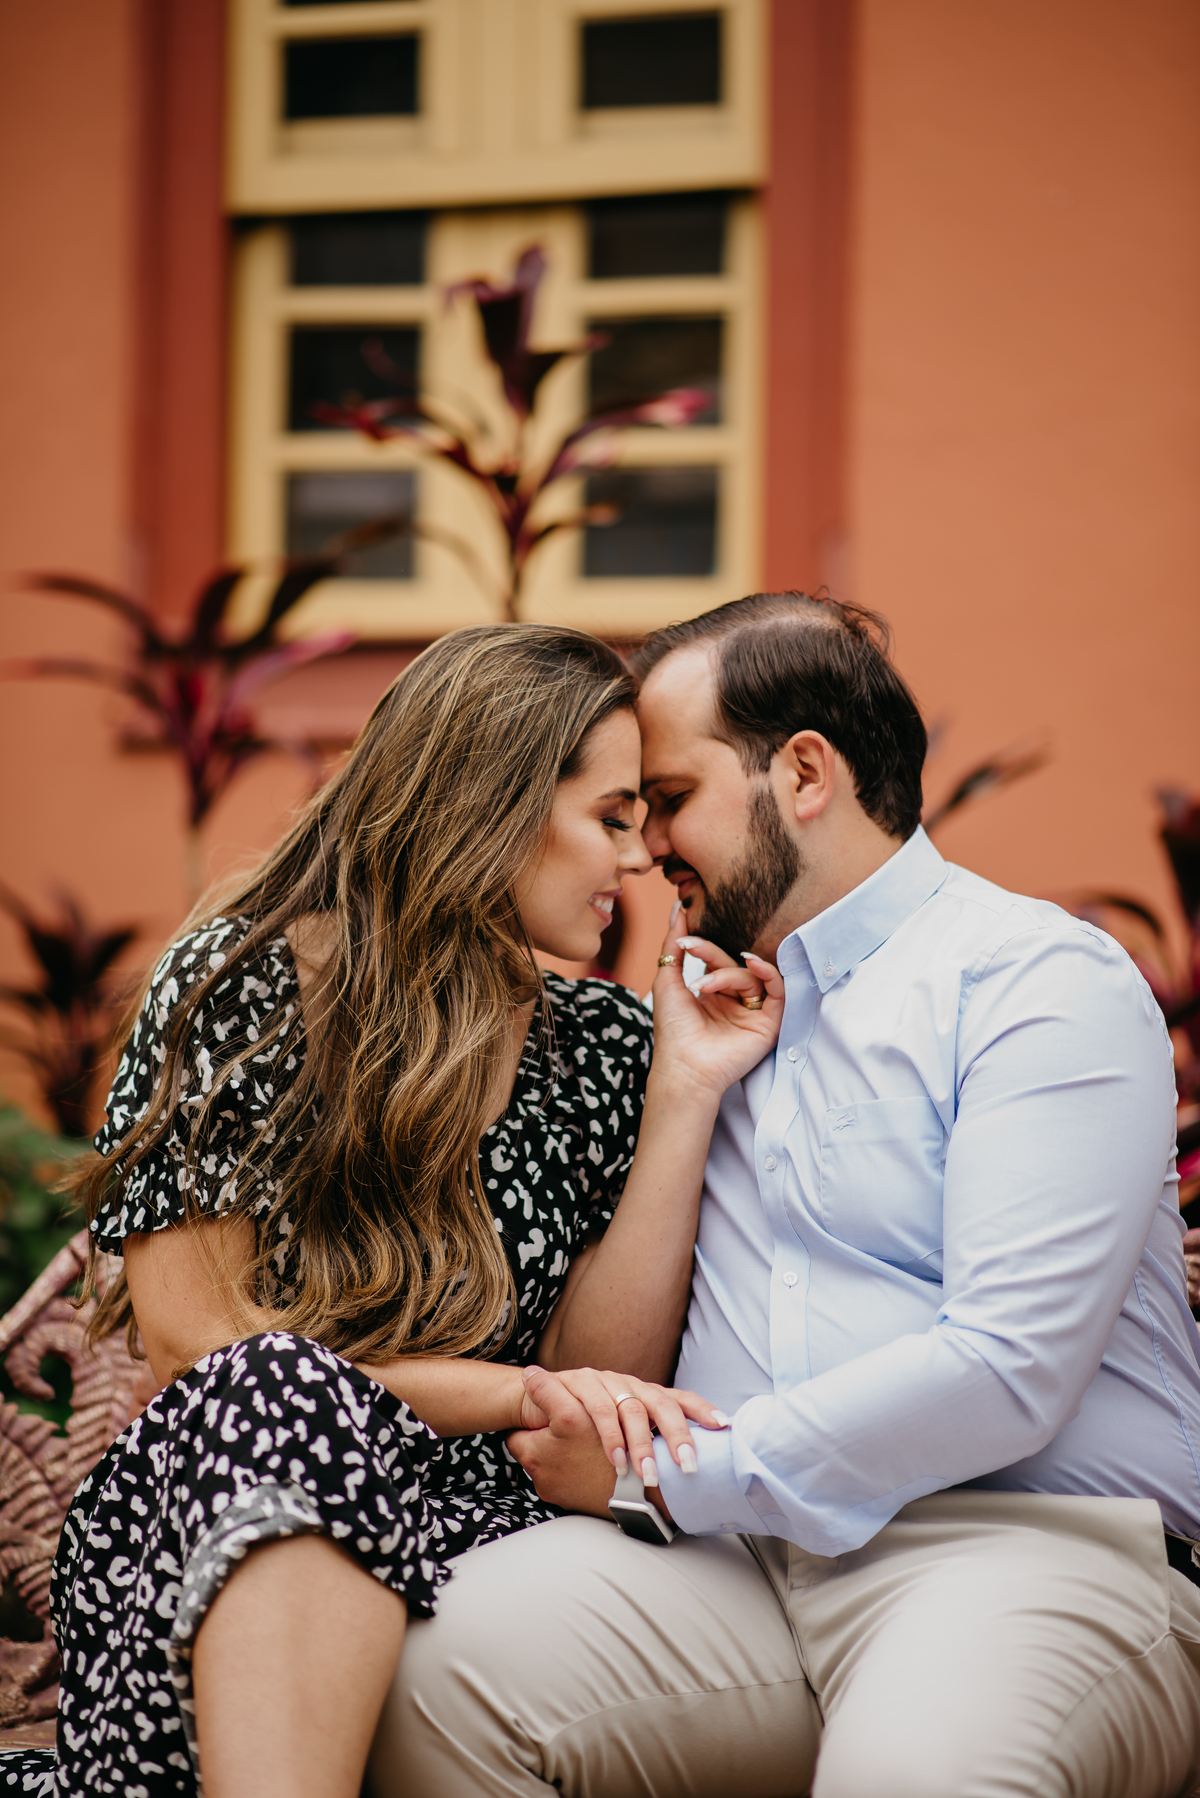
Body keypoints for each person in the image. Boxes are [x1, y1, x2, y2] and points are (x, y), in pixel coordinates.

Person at [374, 592, 1200, 1798]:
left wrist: (667, 1473)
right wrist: (686, 1093)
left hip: (1027, 1554)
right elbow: (614, 1361)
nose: (647, 846)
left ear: (803, 773)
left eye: (669, 799)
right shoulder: (700, 1021)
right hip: (737, 1574)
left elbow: (1009, 1364)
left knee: (915, 1775)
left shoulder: (1035, 981)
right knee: (432, 1682)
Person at [1, 624, 784, 1798]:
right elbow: (200, 1343)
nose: (638, 862)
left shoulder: (604, 1049)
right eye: (612, 818)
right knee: (283, 1385)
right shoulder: (244, 984)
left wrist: (680, 1093)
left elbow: (598, 1376)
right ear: (497, 802)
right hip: (237, 1497)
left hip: (491, 1539)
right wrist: (509, 1391)